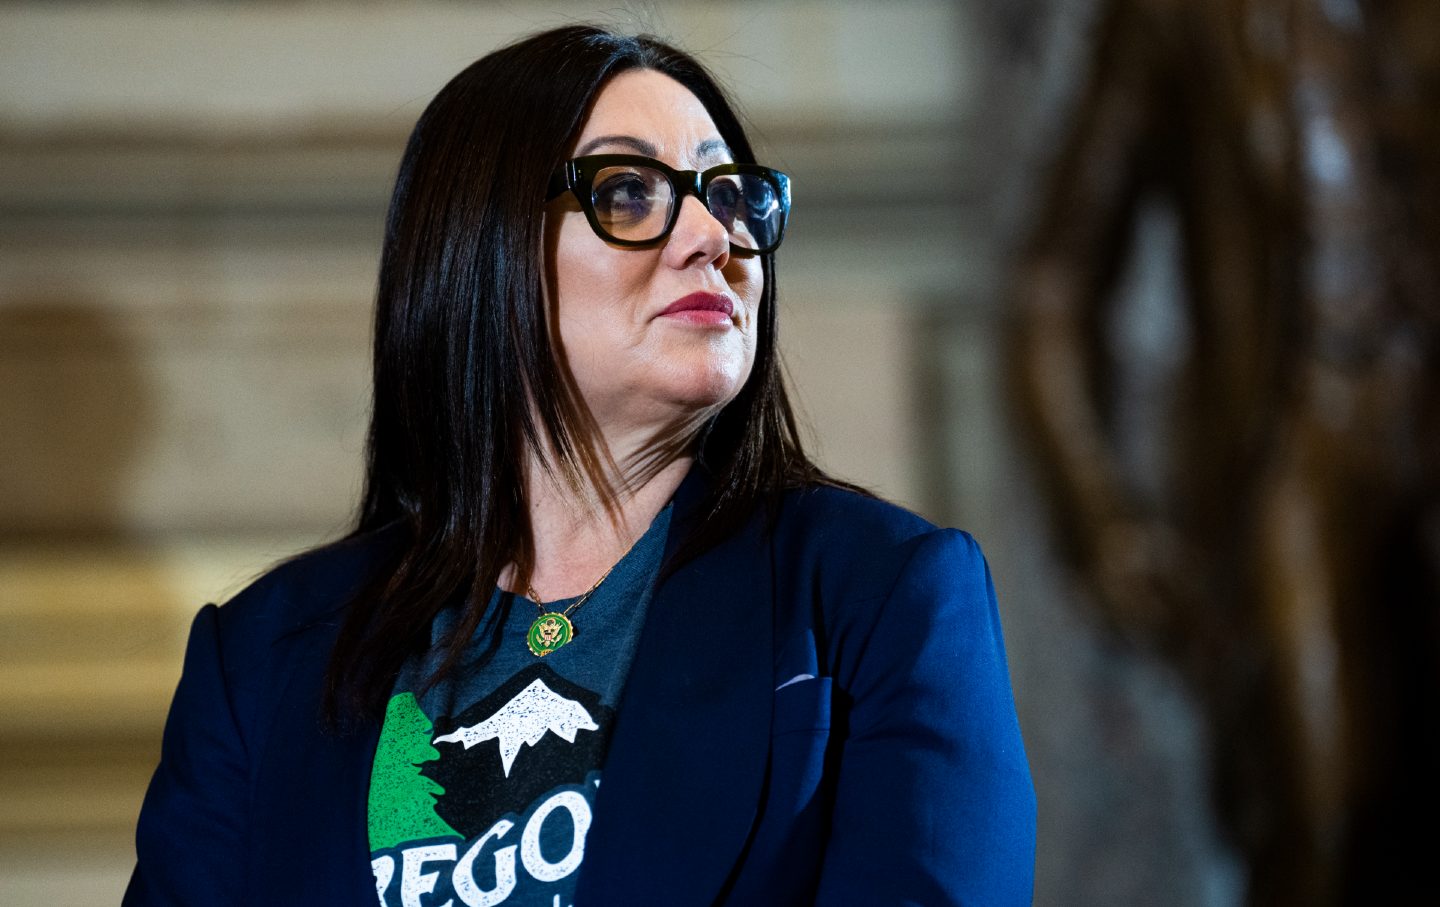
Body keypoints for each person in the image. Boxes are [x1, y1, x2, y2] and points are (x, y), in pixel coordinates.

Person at [124, 25, 1035, 907]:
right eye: (631, 192)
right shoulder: (262, 661)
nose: (712, 238)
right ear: (481, 247)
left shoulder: (878, 593)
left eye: (731, 196)